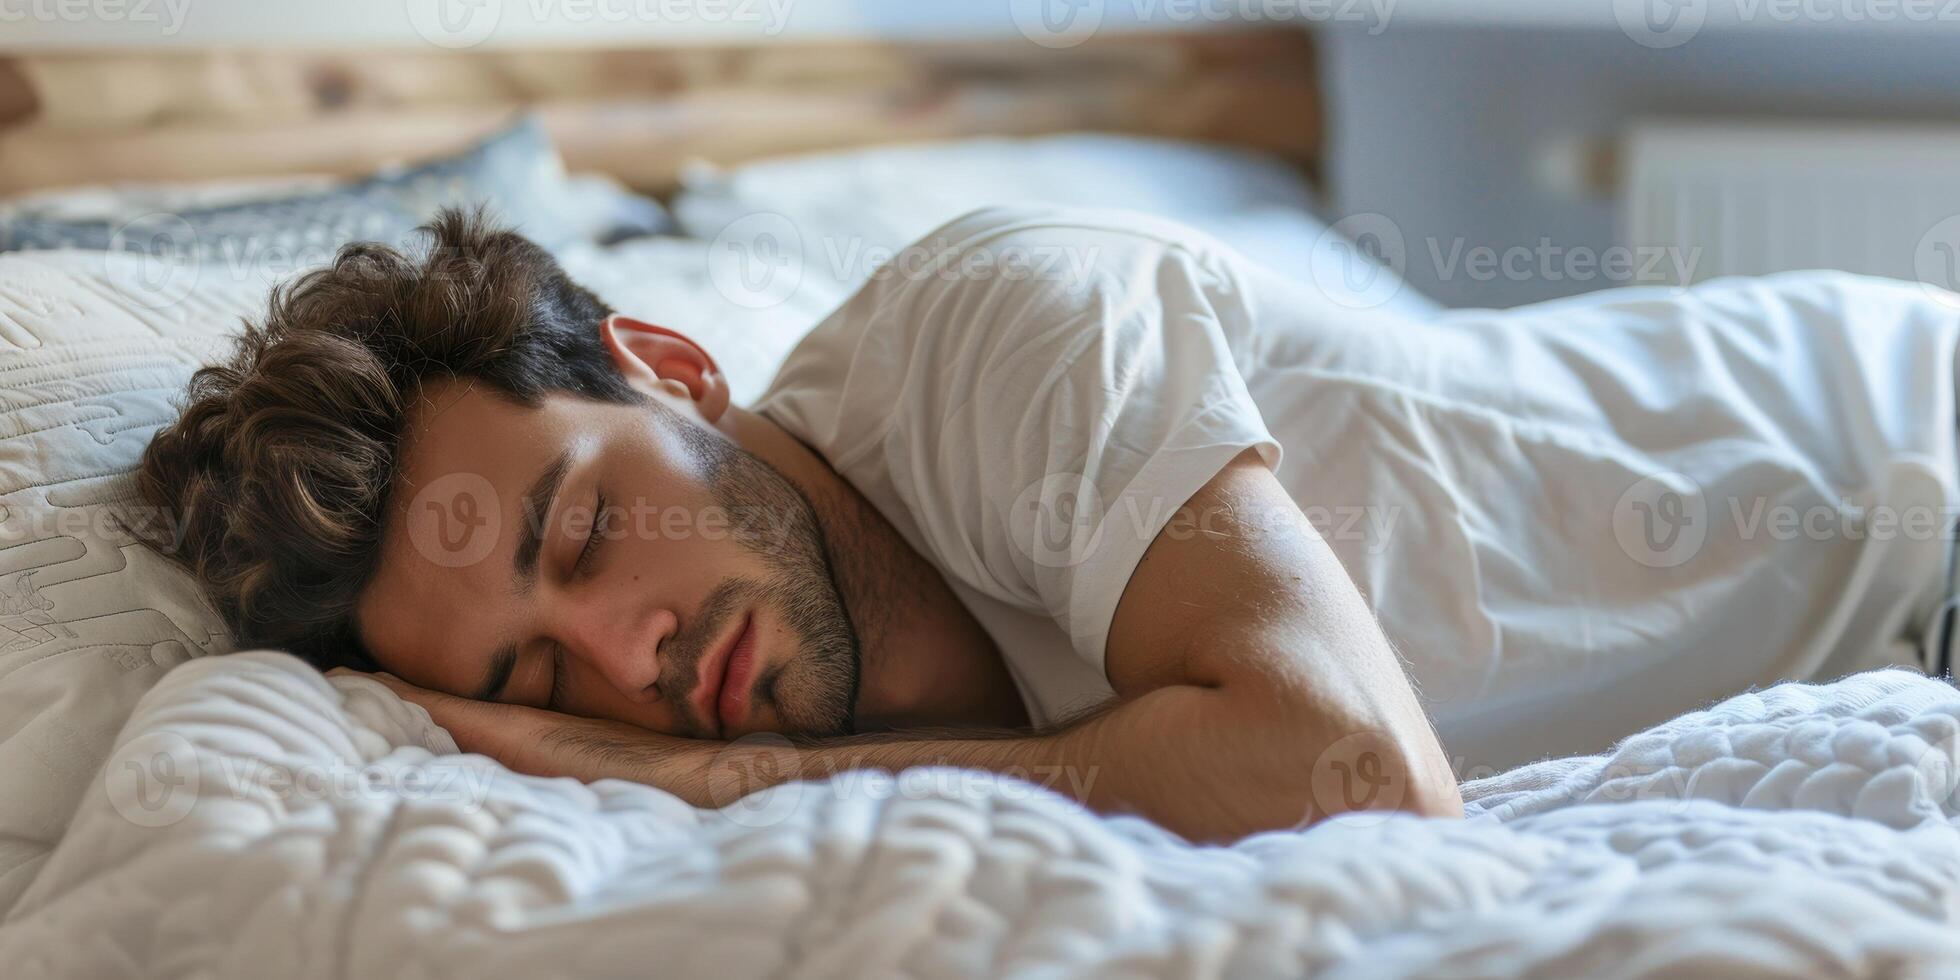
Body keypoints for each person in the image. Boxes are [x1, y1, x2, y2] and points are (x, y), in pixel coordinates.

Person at [136, 204, 1959, 842]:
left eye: (591, 535)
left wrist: (717, 790)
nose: (629, 662)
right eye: (540, 678)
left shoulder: (999, 331)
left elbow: (1354, 778)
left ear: (676, 372)